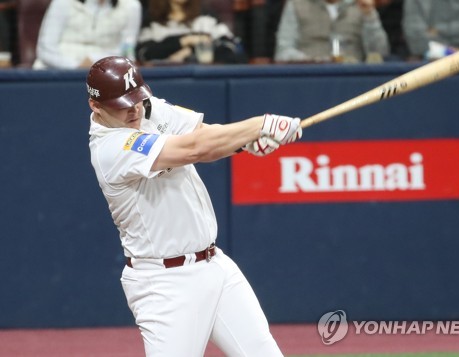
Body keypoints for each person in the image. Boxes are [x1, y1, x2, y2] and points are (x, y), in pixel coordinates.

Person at [86, 56, 302, 356]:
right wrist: (258, 125)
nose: (134, 109)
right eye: (122, 104)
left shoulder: (148, 108)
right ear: (95, 106)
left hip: (216, 266)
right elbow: (193, 149)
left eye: (136, 98)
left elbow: (202, 136)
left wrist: (244, 142)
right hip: (165, 284)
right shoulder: (110, 148)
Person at [33, 0, 142, 69]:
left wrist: (95, 61)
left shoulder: (131, 6)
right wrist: (76, 67)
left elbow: (127, 51)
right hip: (58, 71)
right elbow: (45, 50)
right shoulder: (62, 3)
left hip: (104, 73)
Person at [274, 0, 390, 63]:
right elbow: (283, 52)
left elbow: (379, 53)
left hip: (352, 78)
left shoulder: (361, 4)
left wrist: (370, 16)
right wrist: (314, 61)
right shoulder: (296, 3)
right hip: (310, 77)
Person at [136, 0, 246, 64]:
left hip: (206, 80)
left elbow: (234, 48)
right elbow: (144, 54)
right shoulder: (152, 21)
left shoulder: (206, 17)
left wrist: (191, 53)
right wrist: (185, 41)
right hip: (166, 80)